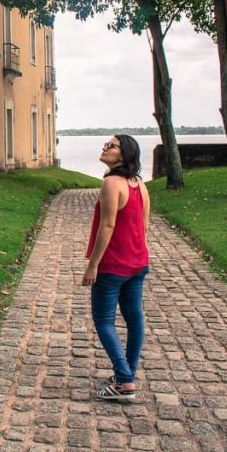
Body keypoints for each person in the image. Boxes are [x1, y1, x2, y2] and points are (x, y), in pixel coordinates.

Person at [81, 134, 150, 400]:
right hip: (137, 262)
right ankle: (127, 374)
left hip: (113, 265)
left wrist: (93, 265)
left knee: (103, 320)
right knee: (134, 319)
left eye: (111, 146)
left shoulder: (111, 183)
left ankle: (124, 381)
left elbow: (106, 226)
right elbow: (144, 225)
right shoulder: (138, 184)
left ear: (123, 154)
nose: (104, 147)